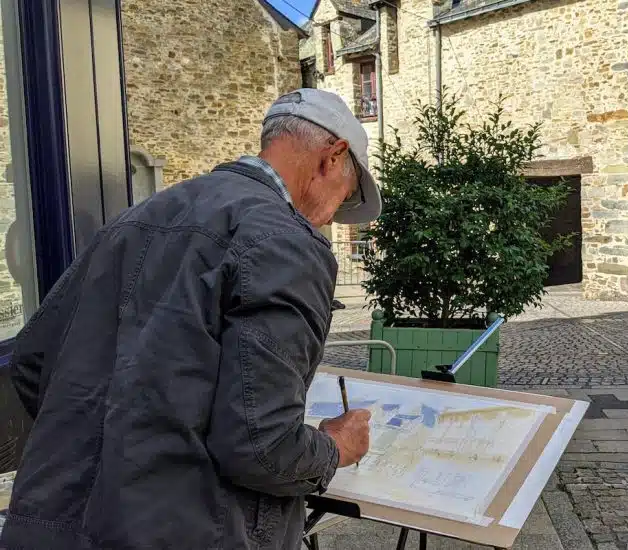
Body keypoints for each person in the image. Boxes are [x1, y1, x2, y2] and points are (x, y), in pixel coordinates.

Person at [0, 89, 381, 550]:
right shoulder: (285, 240)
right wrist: (334, 448)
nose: (332, 217)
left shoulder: (136, 218)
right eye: (344, 198)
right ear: (332, 158)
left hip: (54, 523)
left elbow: (32, 364)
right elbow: (262, 447)